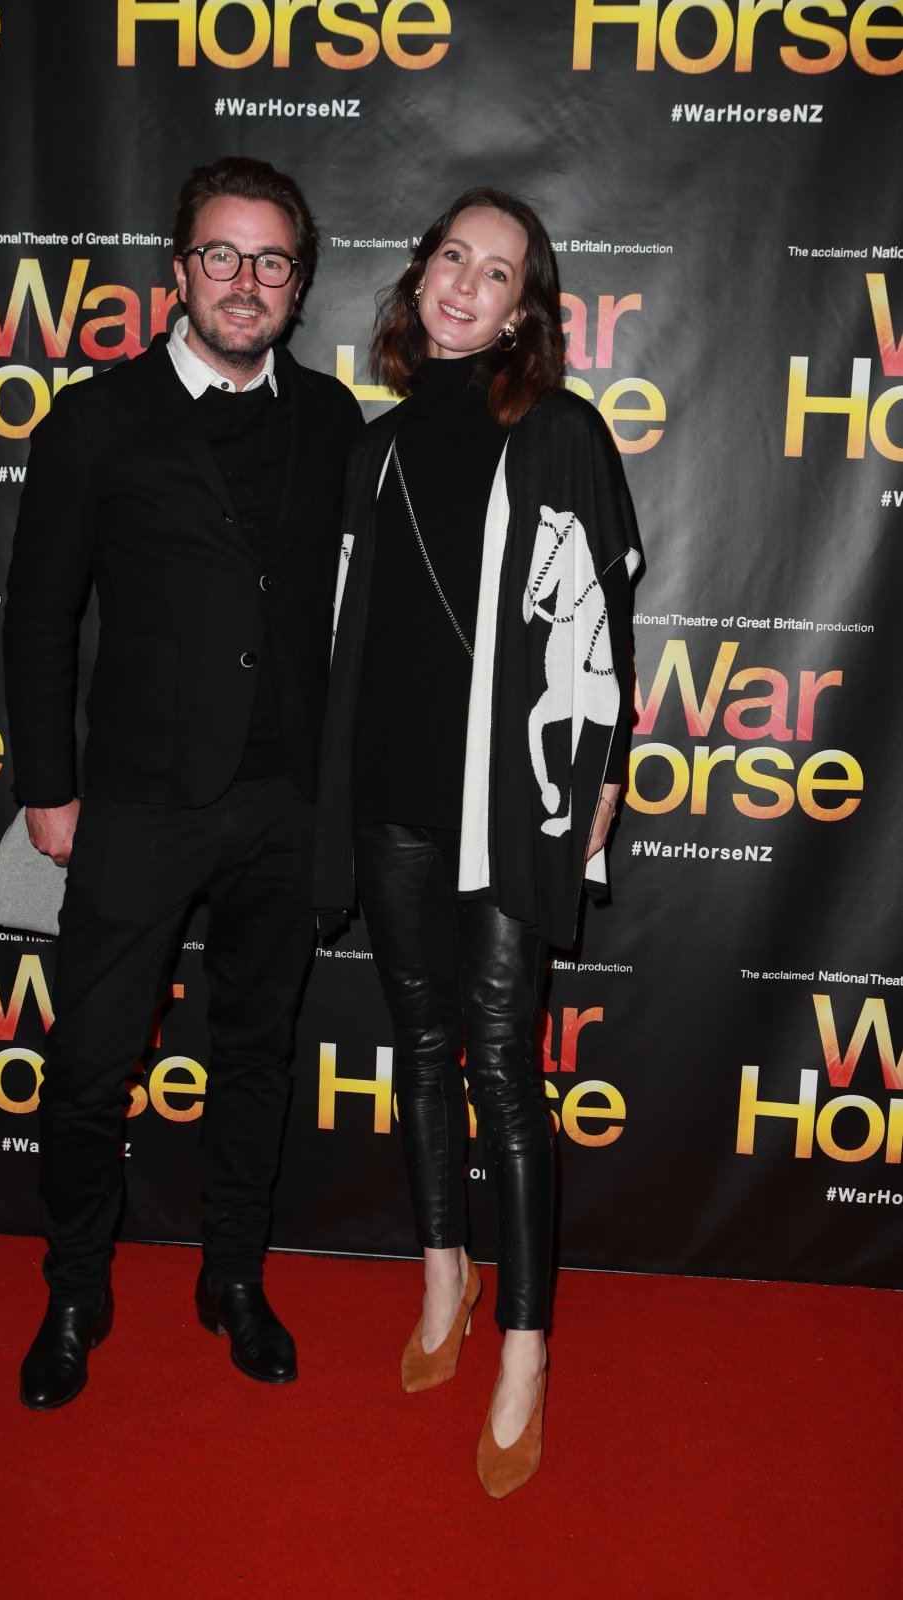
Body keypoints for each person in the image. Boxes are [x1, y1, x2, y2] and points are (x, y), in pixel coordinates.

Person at [3, 155, 363, 1410]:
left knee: (257, 1051)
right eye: (222, 254)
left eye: (271, 260)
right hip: (141, 801)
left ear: (297, 284)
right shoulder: (95, 418)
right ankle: (74, 1289)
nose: (244, 281)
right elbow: (39, 614)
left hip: (289, 800)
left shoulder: (332, 420)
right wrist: (48, 787)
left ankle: (233, 1276)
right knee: (91, 1062)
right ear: (178, 270)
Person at [314, 188, 640, 1497]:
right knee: (420, 1043)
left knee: (503, 1070)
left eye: (495, 272)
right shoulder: (377, 445)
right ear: (419, 278)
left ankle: (523, 1350)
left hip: (504, 802)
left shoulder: (556, 431)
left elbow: (598, 626)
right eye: (451, 257)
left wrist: (595, 784)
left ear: (521, 312)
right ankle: (441, 1275)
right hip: (391, 790)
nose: (464, 283)